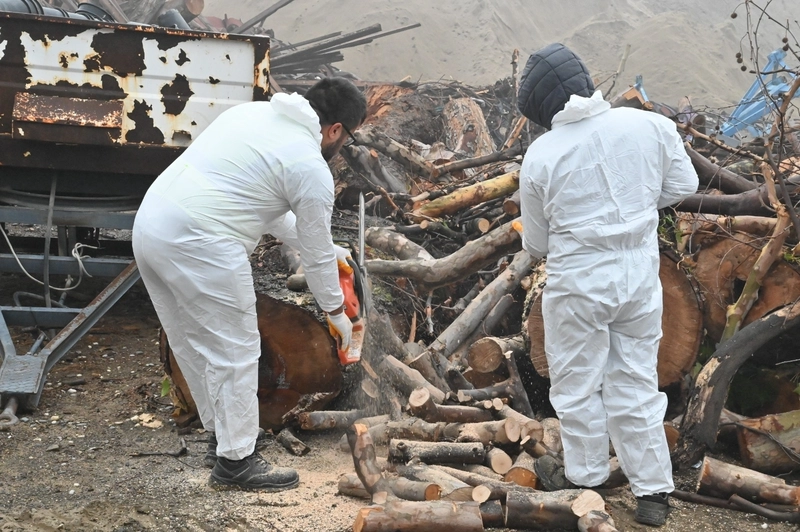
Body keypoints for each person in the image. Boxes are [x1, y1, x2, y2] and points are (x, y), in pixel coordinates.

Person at [132, 77, 367, 491]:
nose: (342, 146)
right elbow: (313, 257)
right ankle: (237, 463)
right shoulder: (310, 166)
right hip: (202, 238)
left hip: (152, 225)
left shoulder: (254, 115)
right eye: (346, 138)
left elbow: (270, 206)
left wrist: (331, 249)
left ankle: (223, 440)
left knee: (194, 342)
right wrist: (335, 312)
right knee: (237, 349)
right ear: (335, 130)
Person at [516, 43, 698, 526]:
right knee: (636, 381)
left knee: (577, 384)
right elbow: (684, 185)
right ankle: (653, 494)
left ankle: (586, 479)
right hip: (639, 274)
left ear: (540, 107)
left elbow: (537, 242)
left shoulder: (541, 155)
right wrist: (635, 207)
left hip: (578, 280)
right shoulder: (650, 125)